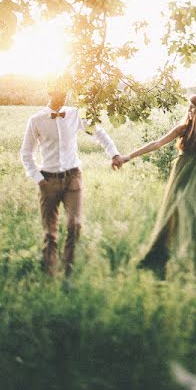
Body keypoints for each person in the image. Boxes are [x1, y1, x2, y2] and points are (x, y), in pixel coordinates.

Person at [120, 94, 196, 275]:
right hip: (181, 180)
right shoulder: (183, 129)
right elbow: (156, 144)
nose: (189, 110)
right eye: (189, 107)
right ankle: (159, 260)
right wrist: (128, 157)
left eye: (193, 107)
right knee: (180, 220)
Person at [19, 87, 123, 276]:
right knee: (50, 233)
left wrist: (114, 154)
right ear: (49, 92)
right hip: (48, 180)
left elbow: (99, 132)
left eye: (66, 91)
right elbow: (26, 153)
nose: (63, 95)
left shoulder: (76, 114)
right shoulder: (36, 120)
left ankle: (68, 273)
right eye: (59, 91)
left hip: (73, 178)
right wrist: (38, 179)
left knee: (74, 225)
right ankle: (49, 274)